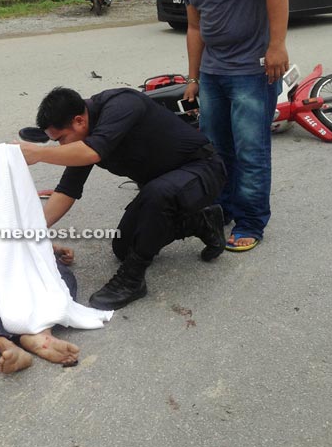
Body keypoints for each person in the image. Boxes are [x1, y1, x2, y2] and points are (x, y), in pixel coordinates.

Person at [146, 0, 289, 252]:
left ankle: (252, 221)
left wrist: (276, 45)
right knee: (216, 150)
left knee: (250, 150)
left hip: (251, 70)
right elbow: (195, 28)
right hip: (213, 74)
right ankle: (223, 208)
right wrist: (193, 78)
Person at [18, 85, 228, 311]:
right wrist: (31, 232)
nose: (61, 146)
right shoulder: (84, 134)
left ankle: (132, 281)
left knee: (157, 194)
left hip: (202, 170)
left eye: (61, 139)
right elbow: (67, 190)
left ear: (79, 121)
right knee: (123, 248)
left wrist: (38, 154)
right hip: (160, 188)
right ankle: (202, 222)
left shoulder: (122, 105)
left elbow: (93, 152)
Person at [0, 247, 80, 373]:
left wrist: (53, 248)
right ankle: (7, 344)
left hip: (4, 252)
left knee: (59, 276)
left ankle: (37, 335)